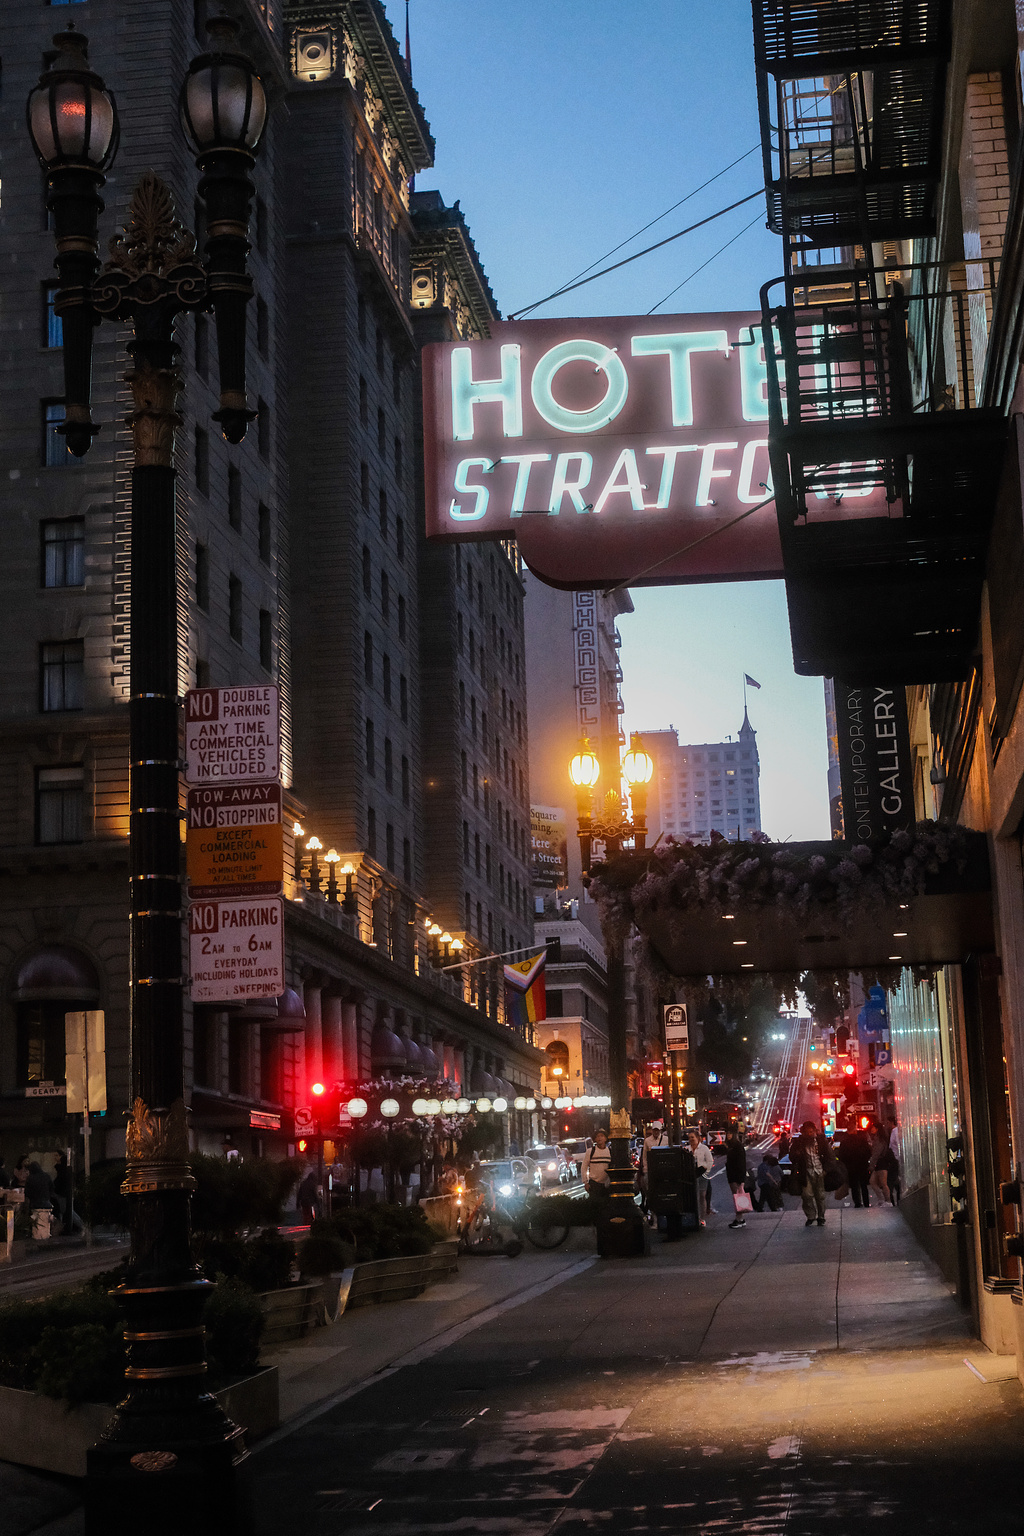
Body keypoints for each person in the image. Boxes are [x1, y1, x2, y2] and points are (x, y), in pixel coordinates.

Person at [791, 1120, 830, 1226]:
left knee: (820, 1196)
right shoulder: (799, 1143)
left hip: (819, 1170)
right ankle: (811, 1216)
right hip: (806, 1171)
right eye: (807, 1132)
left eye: (811, 1132)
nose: (809, 1134)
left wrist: (825, 1170)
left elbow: (829, 1156)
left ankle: (821, 1216)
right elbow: (792, 1157)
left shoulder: (821, 1141)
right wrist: (797, 1154)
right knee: (807, 1195)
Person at [640, 1121, 670, 1223]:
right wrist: (645, 1169)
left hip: (663, 1171)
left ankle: (663, 1217)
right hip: (651, 1171)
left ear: (660, 1130)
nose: (656, 1132)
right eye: (654, 1130)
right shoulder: (647, 1141)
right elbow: (644, 1156)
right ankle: (655, 1217)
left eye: (657, 1130)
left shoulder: (666, 1140)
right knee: (652, 1195)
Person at [837, 1126, 871, 1208]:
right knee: (864, 1185)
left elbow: (841, 1155)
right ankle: (866, 1202)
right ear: (855, 1130)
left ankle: (857, 1203)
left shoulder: (844, 1142)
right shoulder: (862, 1140)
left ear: (848, 1131)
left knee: (854, 1186)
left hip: (851, 1167)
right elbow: (869, 1151)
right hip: (862, 1166)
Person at [687, 1130, 715, 1221]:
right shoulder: (687, 1149)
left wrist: (705, 1170)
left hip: (702, 1174)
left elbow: (710, 1161)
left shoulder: (704, 1148)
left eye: (692, 1137)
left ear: (697, 1138)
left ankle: (702, 1218)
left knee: (702, 1195)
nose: (691, 1139)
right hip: (691, 1175)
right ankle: (694, 1217)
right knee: (693, 1196)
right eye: (689, 1137)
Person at [25, 1161, 54, 1242]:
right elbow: (52, 1188)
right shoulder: (46, 1176)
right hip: (46, 1202)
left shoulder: (30, 1178)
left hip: (35, 1203)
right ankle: (46, 1234)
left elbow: (27, 1192)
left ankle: (32, 1233)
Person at [725, 1130, 748, 1229]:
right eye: (727, 1134)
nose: (728, 1135)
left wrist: (741, 1179)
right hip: (732, 1175)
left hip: (736, 1176)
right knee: (737, 1197)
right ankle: (740, 1218)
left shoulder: (737, 1146)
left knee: (737, 1197)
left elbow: (741, 1162)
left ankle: (739, 1218)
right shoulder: (731, 1146)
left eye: (730, 1133)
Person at [581, 1128, 612, 1196]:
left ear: (605, 1139)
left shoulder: (610, 1151)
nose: (599, 1138)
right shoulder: (590, 1151)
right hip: (594, 1184)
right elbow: (584, 1167)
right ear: (595, 1139)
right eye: (597, 1136)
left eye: (601, 1136)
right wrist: (585, 1182)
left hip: (607, 1184)